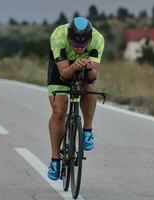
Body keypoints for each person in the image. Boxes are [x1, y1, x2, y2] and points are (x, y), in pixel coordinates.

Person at [47, 17, 104, 181]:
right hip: (60, 68)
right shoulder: (58, 36)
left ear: (90, 39)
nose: (79, 48)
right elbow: (64, 74)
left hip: (84, 66)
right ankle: (55, 159)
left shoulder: (98, 39)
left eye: (83, 45)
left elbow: (93, 76)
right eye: (75, 44)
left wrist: (89, 69)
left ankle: (87, 129)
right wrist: (73, 66)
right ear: (69, 38)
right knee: (59, 110)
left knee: (89, 87)